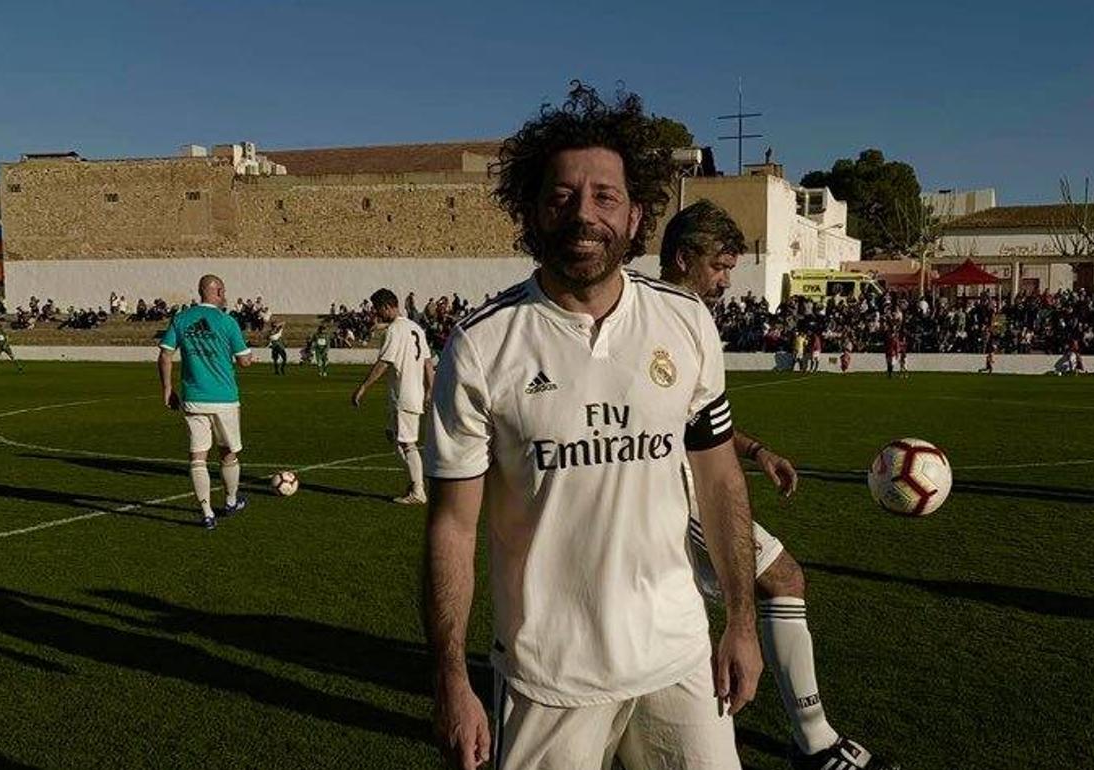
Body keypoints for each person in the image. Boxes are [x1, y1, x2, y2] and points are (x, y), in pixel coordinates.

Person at [423, 83, 762, 770]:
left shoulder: (685, 320)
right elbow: (453, 526)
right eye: (561, 197)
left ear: (637, 216)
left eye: (605, 196)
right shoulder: (484, 345)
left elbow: (719, 473)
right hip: (551, 677)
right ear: (531, 212)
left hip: (678, 660)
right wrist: (451, 678)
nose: (585, 215)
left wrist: (742, 623)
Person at [661, 199, 895, 769]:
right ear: (683, 257)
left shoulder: (682, 314)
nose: (726, 280)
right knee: (783, 579)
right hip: (676, 491)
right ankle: (814, 743)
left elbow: (699, 423)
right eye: (719, 266)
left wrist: (757, 450)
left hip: (684, 481)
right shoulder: (669, 316)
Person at [157, 274, 253, 529]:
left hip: (194, 397)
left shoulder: (181, 318)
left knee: (197, 457)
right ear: (218, 291)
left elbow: (165, 355)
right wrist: (248, 356)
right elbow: (244, 361)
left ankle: (207, 512)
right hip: (224, 397)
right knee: (228, 453)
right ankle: (231, 501)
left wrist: (167, 388)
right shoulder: (227, 322)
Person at [351, 289, 430, 504]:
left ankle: (418, 489)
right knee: (393, 436)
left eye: (378, 309)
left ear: (387, 307)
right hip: (413, 393)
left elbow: (384, 363)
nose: (377, 314)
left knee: (407, 444)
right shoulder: (415, 327)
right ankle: (416, 483)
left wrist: (363, 388)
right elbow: (427, 362)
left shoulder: (395, 330)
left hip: (403, 395)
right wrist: (429, 389)